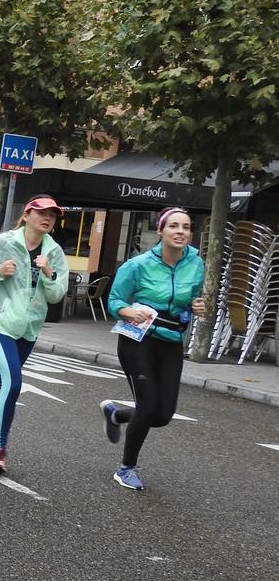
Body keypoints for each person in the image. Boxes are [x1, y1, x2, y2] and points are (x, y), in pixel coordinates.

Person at [0, 195, 69, 473]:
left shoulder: (54, 253)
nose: (48, 219)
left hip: (28, 330)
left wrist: (48, 272)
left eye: (53, 216)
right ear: (27, 214)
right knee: (13, 383)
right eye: (42, 213)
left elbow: (56, 296)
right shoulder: (3, 242)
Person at [99, 207, 205, 491]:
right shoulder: (138, 265)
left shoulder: (196, 262)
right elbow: (114, 301)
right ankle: (126, 468)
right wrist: (127, 311)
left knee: (162, 415)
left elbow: (192, 298)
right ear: (160, 231)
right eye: (173, 226)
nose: (180, 231)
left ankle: (117, 414)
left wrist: (196, 305)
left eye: (186, 226)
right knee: (147, 406)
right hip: (138, 340)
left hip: (171, 342)